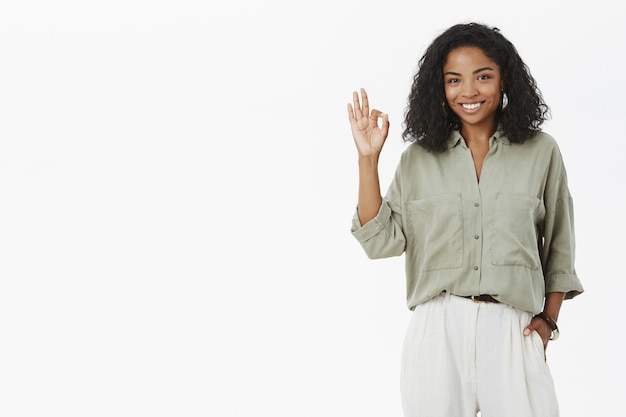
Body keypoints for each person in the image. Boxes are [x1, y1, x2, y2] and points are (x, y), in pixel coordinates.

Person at [347, 22, 584, 417]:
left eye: (483, 77)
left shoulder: (541, 152)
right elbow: (378, 241)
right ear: (439, 87)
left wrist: (548, 321)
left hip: (513, 329)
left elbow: (560, 247)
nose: (468, 91)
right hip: (437, 331)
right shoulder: (419, 159)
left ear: (504, 78)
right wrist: (368, 159)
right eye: (454, 80)